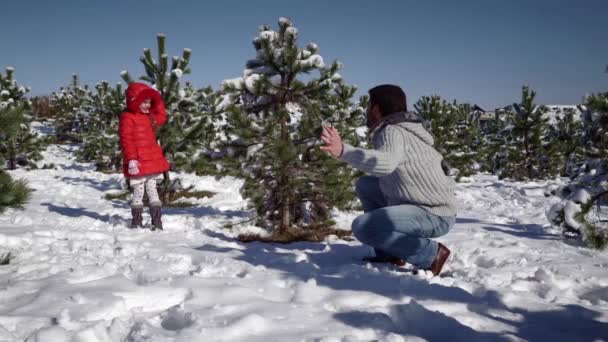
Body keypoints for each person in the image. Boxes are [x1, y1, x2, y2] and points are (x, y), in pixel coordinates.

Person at [320, 84, 456, 275]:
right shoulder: (403, 129)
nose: (366, 111)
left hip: (434, 214)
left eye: (368, 106)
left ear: (376, 109)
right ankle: (390, 253)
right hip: (426, 205)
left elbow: (386, 163)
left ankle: (431, 254)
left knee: (363, 227)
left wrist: (343, 150)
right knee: (366, 185)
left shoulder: (392, 131)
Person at [119, 82, 170, 230]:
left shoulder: (149, 117)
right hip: (139, 161)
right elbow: (126, 139)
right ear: (134, 100)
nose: (147, 105)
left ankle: (157, 222)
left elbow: (162, 118)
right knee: (139, 190)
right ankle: (136, 222)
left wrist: (158, 101)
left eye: (149, 102)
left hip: (152, 159)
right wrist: (131, 159)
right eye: (144, 102)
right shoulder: (128, 117)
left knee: (153, 189)